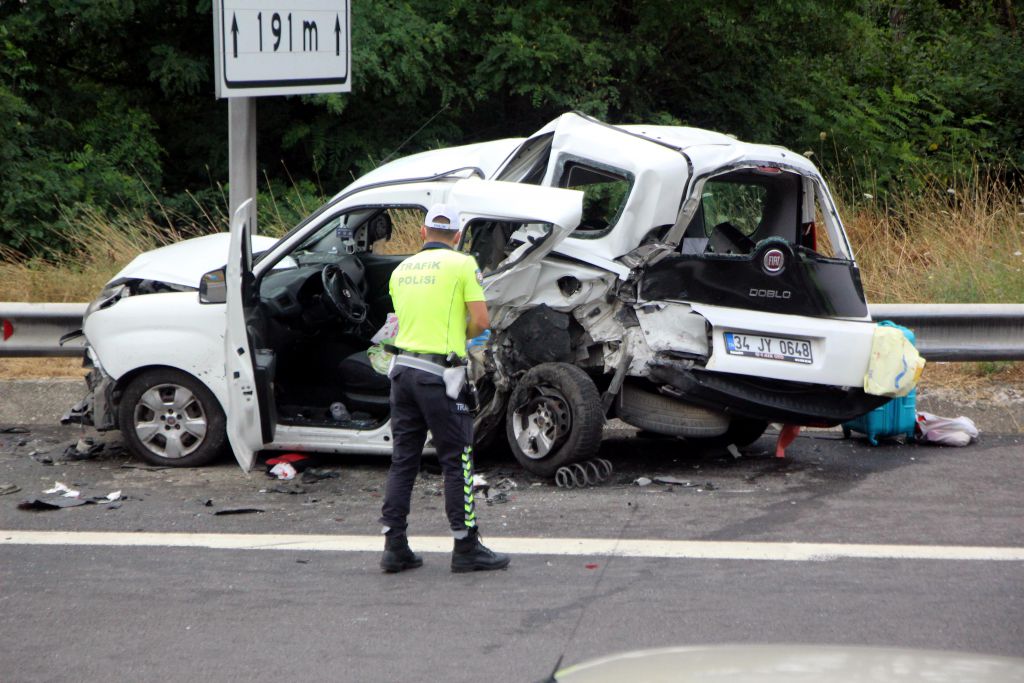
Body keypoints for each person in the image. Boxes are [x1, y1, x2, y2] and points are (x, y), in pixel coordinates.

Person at [378, 203, 510, 574]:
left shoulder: (401, 270)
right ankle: (466, 546)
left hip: (402, 372)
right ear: (457, 236)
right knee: (457, 459)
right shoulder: (462, 264)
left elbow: (404, 320)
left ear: (423, 233)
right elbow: (481, 320)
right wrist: (461, 335)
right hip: (439, 375)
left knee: (404, 460)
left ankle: (394, 546)